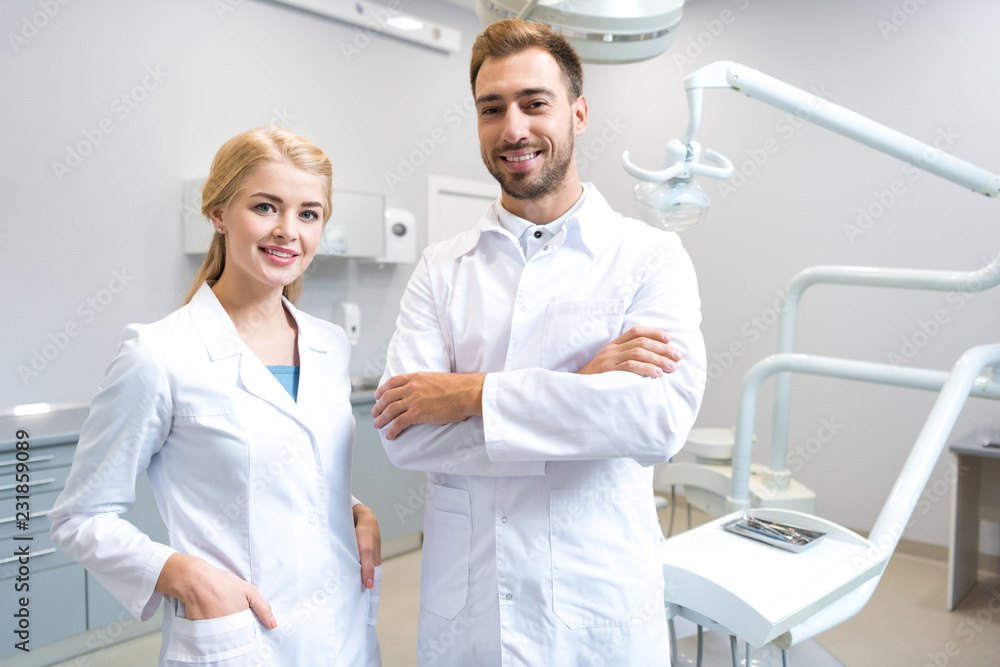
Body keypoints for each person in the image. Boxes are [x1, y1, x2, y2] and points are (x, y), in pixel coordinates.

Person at [372, 18, 707, 667]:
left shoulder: (650, 257)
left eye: (534, 103)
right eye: (492, 109)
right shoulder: (442, 267)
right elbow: (403, 434)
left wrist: (469, 395)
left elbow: (655, 421)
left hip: (596, 607)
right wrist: (582, 393)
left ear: (578, 113)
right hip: (469, 611)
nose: (513, 128)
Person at [49, 127, 382, 667]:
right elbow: (79, 517)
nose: (288, 230)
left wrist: (353, 508)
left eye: (308, 213)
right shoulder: (158, 354)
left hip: (341, 632)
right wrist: (185, 576)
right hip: (238, 637)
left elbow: (292, 468)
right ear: (218, 213)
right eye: (266, 207)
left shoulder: (328, 345)